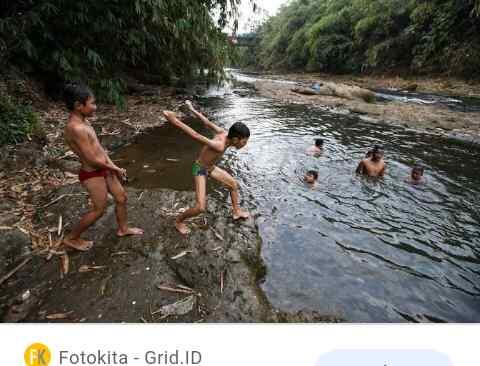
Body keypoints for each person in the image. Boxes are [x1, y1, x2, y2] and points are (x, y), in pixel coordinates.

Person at [62, 82, 143, 251]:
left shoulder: (85, 122)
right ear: (78, 105)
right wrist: (114, 169)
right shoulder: (75, 128)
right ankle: (71, 238)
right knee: (98, 210)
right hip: (92, 173)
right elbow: (91, 159)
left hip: (104, 168)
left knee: (121, 198)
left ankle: (123, 228)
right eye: (92, 103)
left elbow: (100, 150)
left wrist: (113, 166)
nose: (95, 107)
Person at [162, 101, 250, 235]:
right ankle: (178, 221)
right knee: (200, 207)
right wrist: (174, 120)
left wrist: (192, 109)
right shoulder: (219, 144)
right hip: (200, 169)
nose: (245, 144)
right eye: (244, 141)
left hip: (210, 167)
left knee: (233, 184)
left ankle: (237, 211)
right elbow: (196, 135)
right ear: (236, 139)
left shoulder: (224, 132)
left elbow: (207, 122)